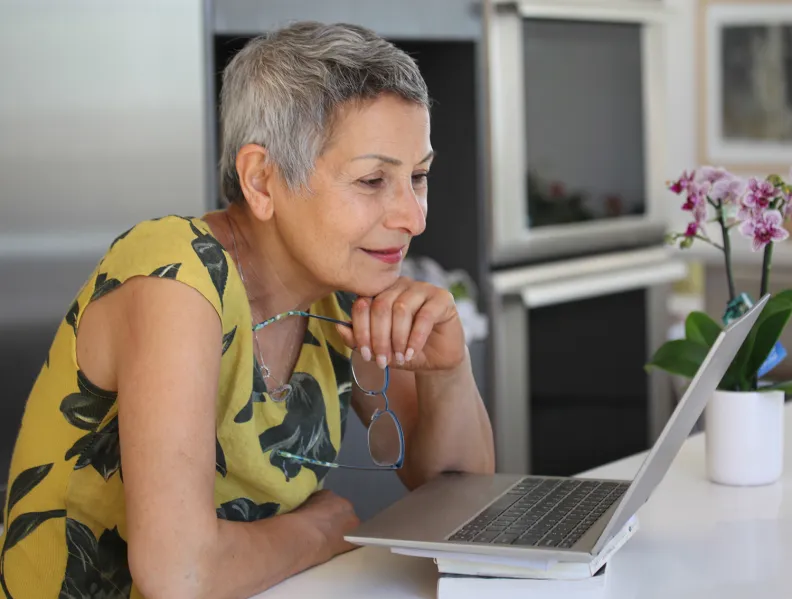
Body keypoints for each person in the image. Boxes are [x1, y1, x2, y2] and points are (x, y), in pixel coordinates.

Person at [0, 21, 495, 599]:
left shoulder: (340, 285)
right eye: (371, 180)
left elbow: (463, 503)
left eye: (418, 177)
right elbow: (180, 574)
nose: (413, 217)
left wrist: (448, 372)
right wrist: (320, 528)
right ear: (262, 179)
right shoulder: (176, 278)